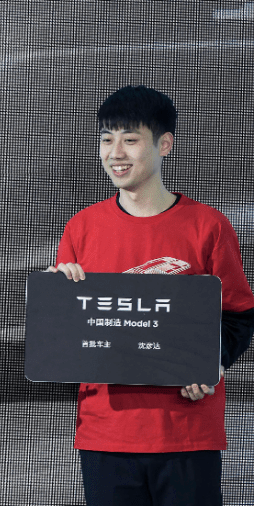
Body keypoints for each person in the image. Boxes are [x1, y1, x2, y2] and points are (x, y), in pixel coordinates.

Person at [47, 85, 254, 505]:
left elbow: (238, 314)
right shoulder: (82, 228)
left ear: (165, 144)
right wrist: (58, 298)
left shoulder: (208, 227)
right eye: (106, 140)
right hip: (105, 434)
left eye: (130, 139)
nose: (115, 152)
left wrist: (209, 363)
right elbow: (67, 339)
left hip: (186, 434)